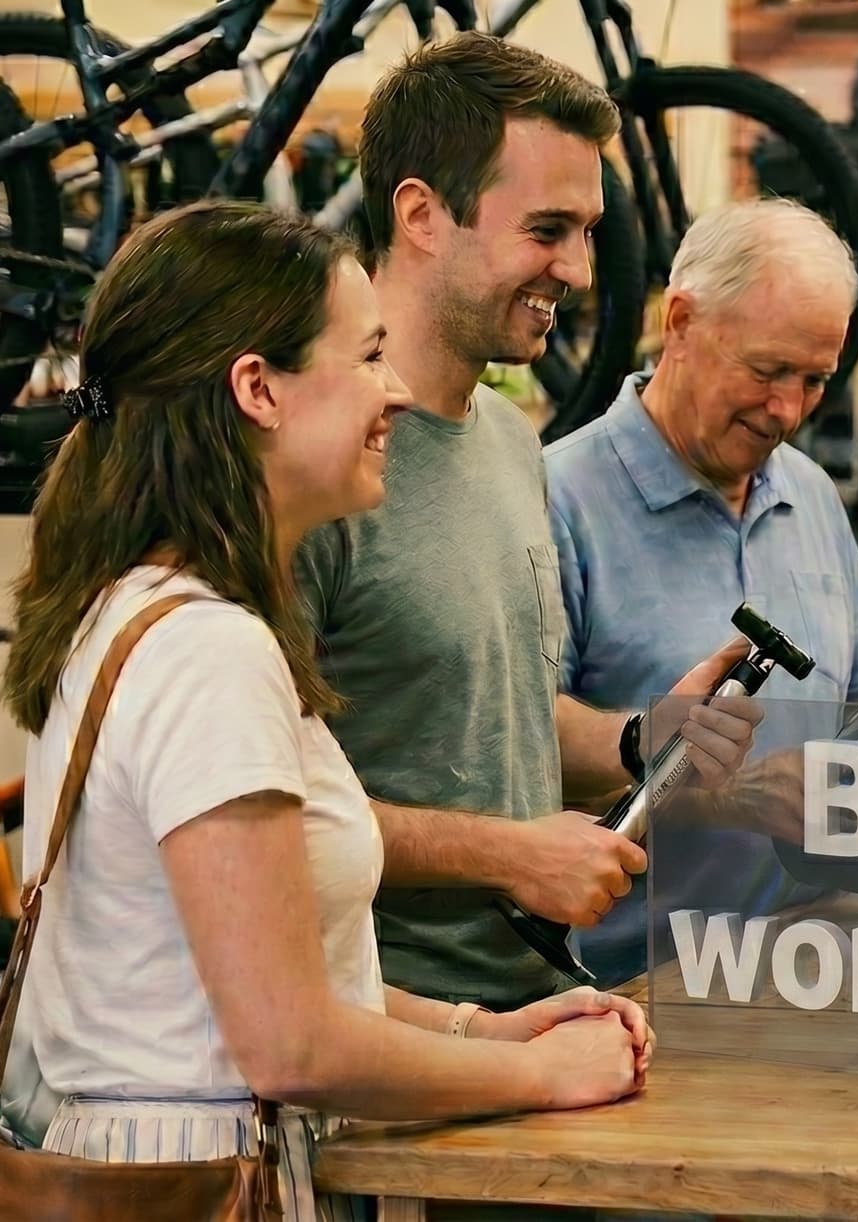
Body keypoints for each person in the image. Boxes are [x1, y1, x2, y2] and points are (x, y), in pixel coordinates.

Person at [0, 201, 653, 1222]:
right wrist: (544, 1074)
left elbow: (259, 974)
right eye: (367, 357)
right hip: (215, 1183)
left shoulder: (140, 611)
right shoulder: (208, 654)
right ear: (258, 389)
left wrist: (480, 1031)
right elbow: (288, 1042)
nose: (395, 392)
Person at [296, 33, 759, 1014]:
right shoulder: (310, 465)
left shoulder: (511, 440)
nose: (581, 271)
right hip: (390, 1028)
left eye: (588, 231)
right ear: (421, 214)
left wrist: (642, 739)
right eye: (548, 230)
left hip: (532, 1003)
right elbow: (270, 811)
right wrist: (509, 853)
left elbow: (486, 707)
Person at [544, 198, 858, 983]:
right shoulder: (555, 501)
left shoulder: (812, 495)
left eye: (815, 380)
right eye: (767, 372)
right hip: (628, 988)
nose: (788, 411)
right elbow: (512, 760)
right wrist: (726, 796)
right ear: (680, 323)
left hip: (805, 967)